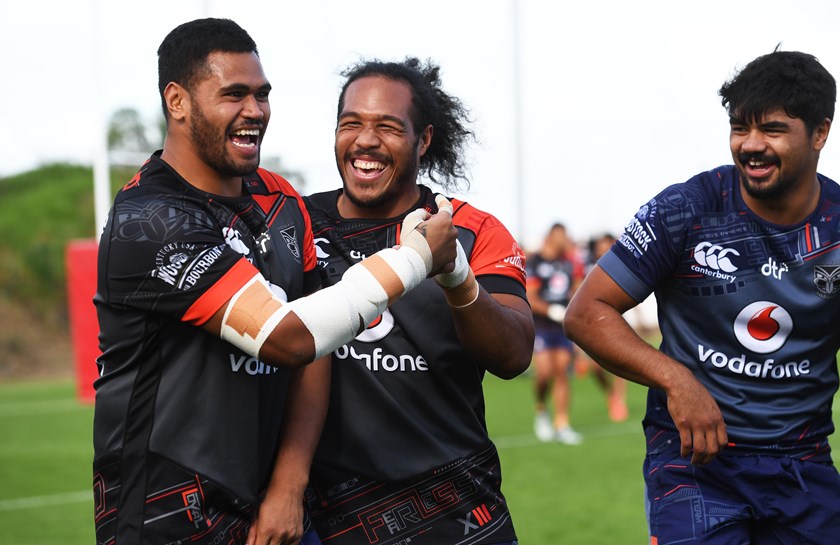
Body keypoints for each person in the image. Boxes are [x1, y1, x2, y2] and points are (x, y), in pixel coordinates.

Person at [91, 20, 457, 545]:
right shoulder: (148, 220)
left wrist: (289, 484)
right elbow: (288, 338)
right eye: (233, 95)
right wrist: (417, 258)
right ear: (177, 101)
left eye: (262, 95)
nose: (255, 112)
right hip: (166, 514)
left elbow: (318, 347)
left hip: (273, 512)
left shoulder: (281, 199)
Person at [564, 48, 840, 544]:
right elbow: (587, 312)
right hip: (695, 463)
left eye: (772, 130)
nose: (751, 145)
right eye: (739, 128)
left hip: (803, 462)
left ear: (820, 132)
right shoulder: (686, 209)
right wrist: (678, 382)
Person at [301, 57, 534, 545]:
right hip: (325, 518)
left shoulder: (470, 230)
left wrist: (456, 275)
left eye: (387, 127)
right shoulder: (293, 225)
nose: (365, 140)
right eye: (351, 124)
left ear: (423, 140)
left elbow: (514, 356)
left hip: (456, 514)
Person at [525, 222, 585, 444]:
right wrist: (551, 310)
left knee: (562, 371)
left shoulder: (568, 262)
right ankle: (541, 411)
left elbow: (576, 289)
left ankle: (562, 423)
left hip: (562, 326)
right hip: (541, 325)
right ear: (550, 237)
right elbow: (531, 298)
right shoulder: (535, 261)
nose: (564, 240)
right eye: (560, 236)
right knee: (544, 373)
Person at [576, 232, 629, 423]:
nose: (603, 248)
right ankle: (610, 393)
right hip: (594, 320)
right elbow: (577, 290)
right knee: (595, 367)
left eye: (606, 245)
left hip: (617, 317)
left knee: (622, 361)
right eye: (600, 245)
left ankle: (619, 401)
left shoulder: (622, 265)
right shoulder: (588, 267)